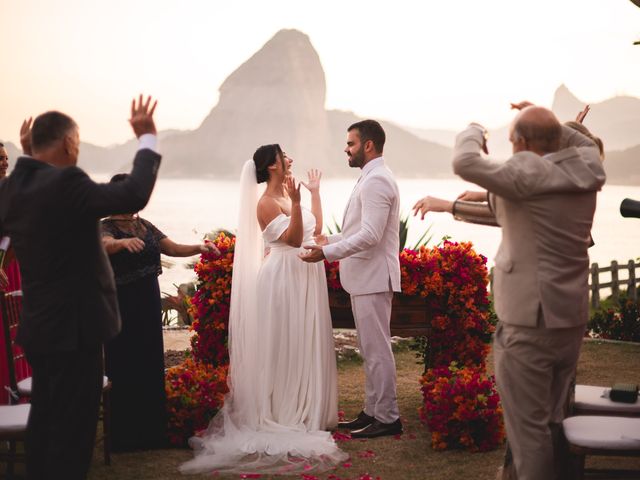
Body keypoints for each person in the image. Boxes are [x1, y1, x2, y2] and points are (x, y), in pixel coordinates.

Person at [413, 104, 605, 480]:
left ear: (520, 143)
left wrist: (475, 129)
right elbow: (574, 143)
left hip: (530, 321)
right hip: (568, 317)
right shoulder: (587, 167)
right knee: (551, 422)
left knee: (527, 432)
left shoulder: (529, 170)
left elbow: (465, 161)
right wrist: (545, 121)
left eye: (514, 139)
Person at [0, 95, 161, 480]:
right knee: (73, 435)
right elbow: (132, 193)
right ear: (69, 144)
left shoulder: (11, 189)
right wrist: (147, 139)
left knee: (44, 424)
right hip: (78, 331)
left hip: (39, 331)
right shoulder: (68, 183)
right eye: (76, 143)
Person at [180, 145, 345, 475]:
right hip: (283, 278)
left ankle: (308, 406)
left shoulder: (287, 193)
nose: (291, 159)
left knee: (304, 340)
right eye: (284, 156)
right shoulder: (266, 203)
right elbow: (295, 240)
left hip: (304, 276)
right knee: (287, 344)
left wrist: (312, 195)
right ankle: (284, 410)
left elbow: (313, 230)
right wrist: (297, 203)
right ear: (272, 165)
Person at [100, 174, 218, 451]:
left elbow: (173, 248)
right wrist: (121, 244)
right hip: (122, 305)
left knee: (150, 363)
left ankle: (152, 432)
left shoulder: (144, 225)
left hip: (148, 301)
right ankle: (125, 436)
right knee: (125, 364)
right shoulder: (105, 226)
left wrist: (199, 248)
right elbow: (104, 245)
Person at [301, 120, 402, 439]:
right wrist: (327, 240)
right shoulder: (370, 178)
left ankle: (388, 417)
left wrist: (327, 255)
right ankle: (372, 412)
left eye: (351, 144)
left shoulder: (377, 181)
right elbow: (359, 230)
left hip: (373, 277)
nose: (346, 149)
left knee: (378, 351)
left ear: (368, 145)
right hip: (365, 277)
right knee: (369, 349)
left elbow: (371, 236)